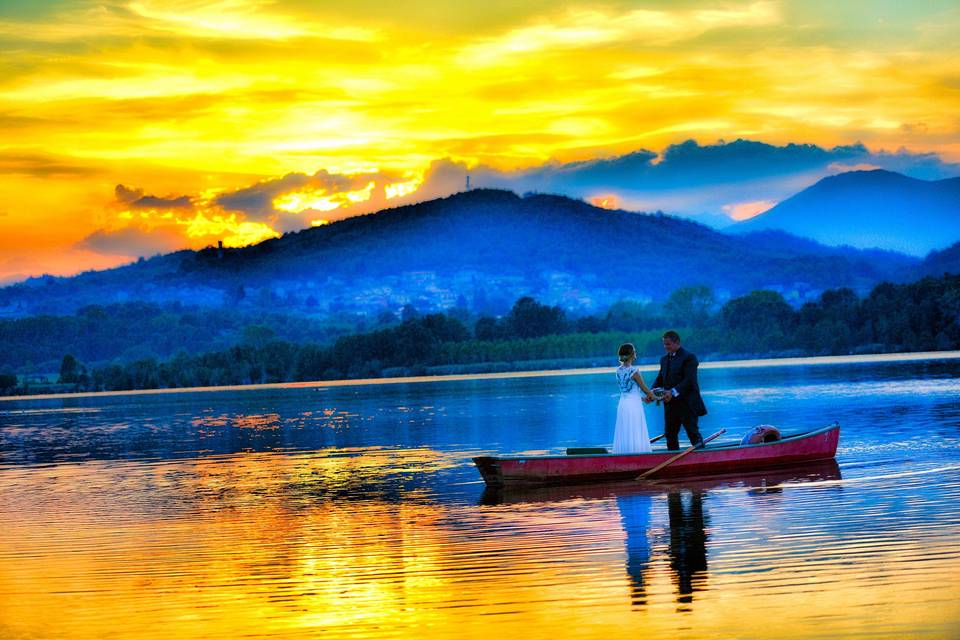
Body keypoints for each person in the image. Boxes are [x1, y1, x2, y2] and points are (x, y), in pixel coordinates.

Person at [654, 331, 707, 450]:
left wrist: (672, 392)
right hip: (670, 405)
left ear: (677, 342)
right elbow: (660, 378)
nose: (665, 347)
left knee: (693, 434)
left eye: (668, 344)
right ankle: (674, 462)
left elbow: (689, 380)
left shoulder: (689, 357)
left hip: (687, 404)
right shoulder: (664, 359)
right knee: (670, 435)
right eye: (664, 344)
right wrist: (650, 392)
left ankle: (703, 460)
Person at [613, 343, 656, 454]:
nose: (636, 353)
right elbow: (644, 389)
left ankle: (625, 454)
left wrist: (642, 399)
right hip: (633, 406)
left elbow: (627, 391)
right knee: (635, 428)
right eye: (634, 351)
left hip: (623, 404)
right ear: (632, 354)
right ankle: (637, 453)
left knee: (626, 429)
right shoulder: (634, 371)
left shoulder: (618, 371)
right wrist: (655, 397)